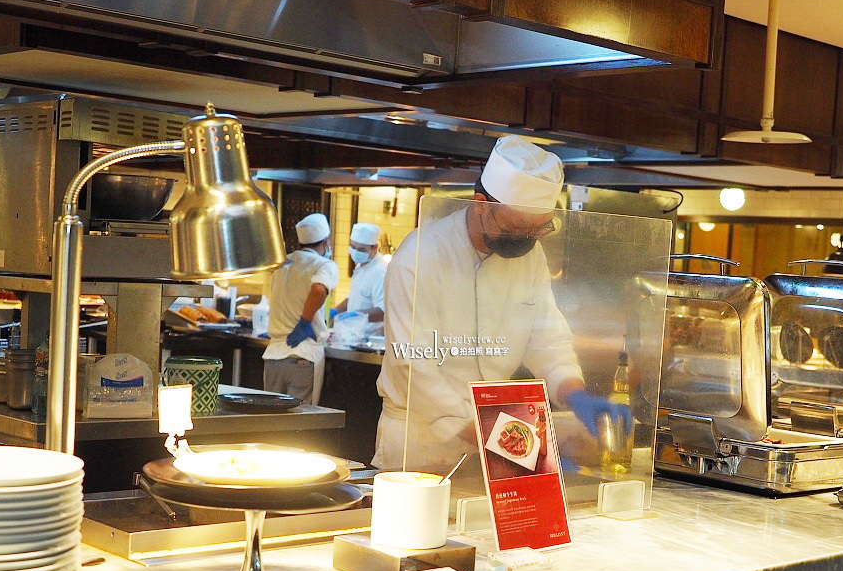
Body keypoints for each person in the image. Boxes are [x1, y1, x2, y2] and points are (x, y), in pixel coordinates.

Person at [373, 135, 630, 473]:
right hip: (421, 443)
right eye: (516, 229)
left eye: (537, 231)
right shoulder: (421, 256)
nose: (526, 241)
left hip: (499, 433)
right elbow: (414, 370)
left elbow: (547, 338)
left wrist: (574, 394)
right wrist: (516, 449)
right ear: (481, 204)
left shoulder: (530, 256)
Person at [262, 213, 338, 404]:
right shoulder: (324, 265)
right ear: (326, 242)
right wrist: (305, 321)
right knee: (299, 418)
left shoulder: (283, 264)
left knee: (271, 416)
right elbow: (319, 289)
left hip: (274, 357)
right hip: (303, 355)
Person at [331, 222, 387, 337]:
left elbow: (383, 312)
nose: (356, 252)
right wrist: (336, 311)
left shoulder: (380, 272)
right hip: (354, 334)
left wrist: (357, 315)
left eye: (361, 249)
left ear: (375, 248)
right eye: (353, 247)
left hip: (370, 337)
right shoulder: (361, 265)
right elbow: (354, 297)